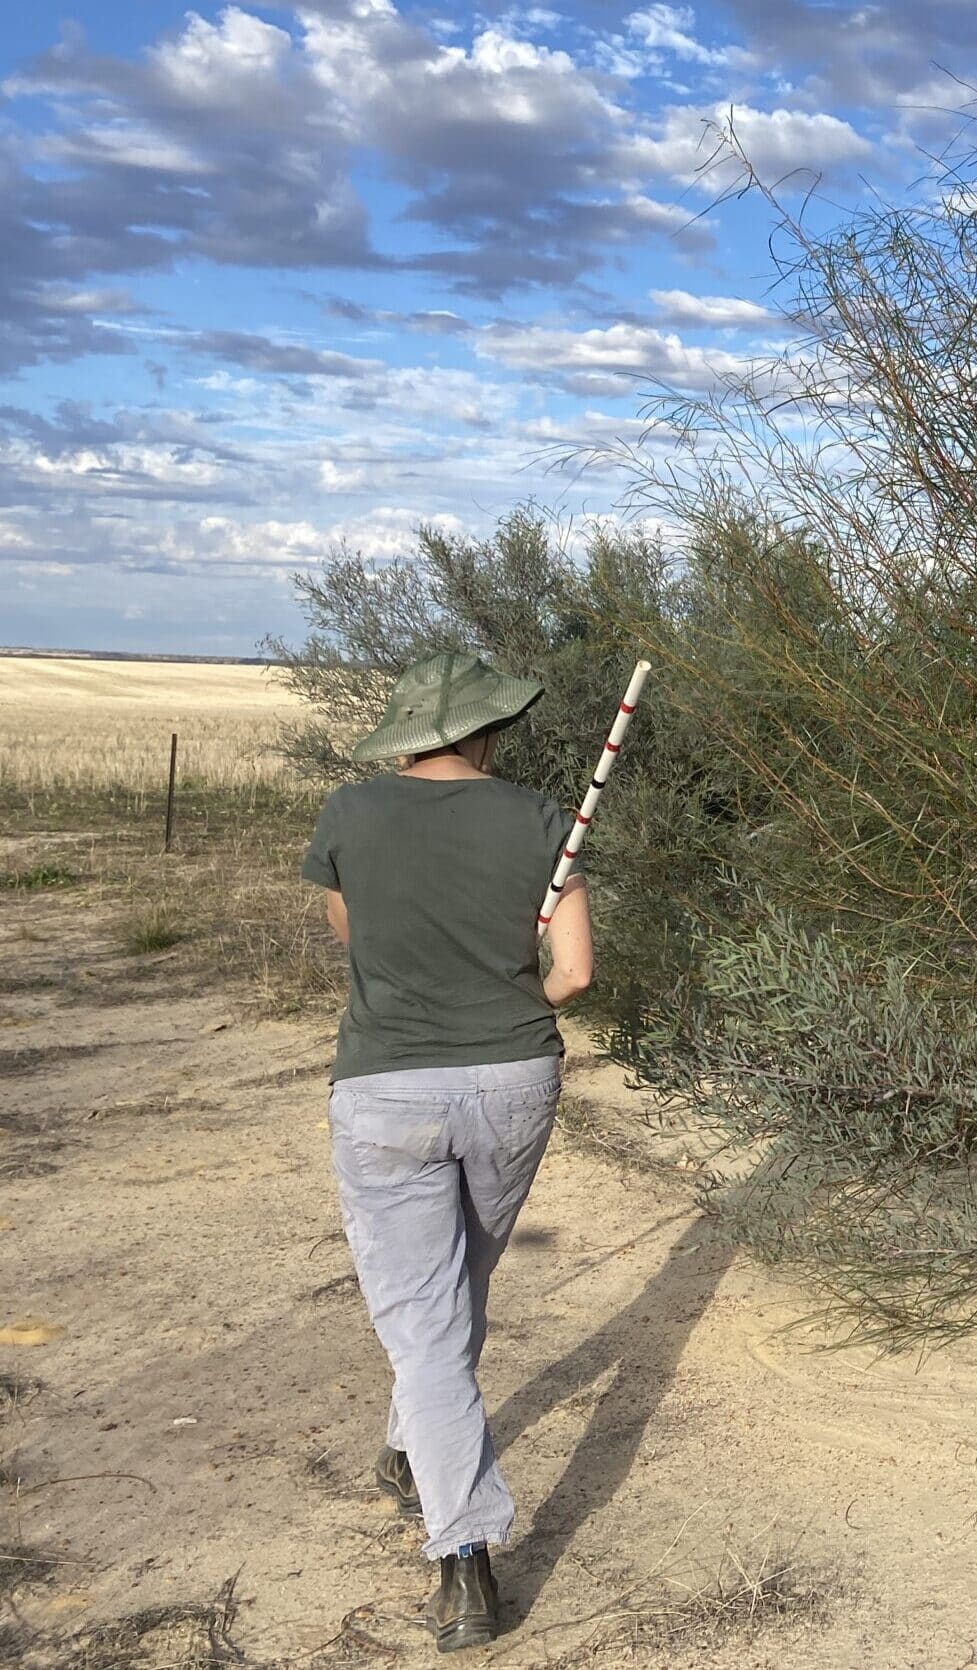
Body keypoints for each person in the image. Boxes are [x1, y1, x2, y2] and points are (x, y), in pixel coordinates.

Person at [301, 652, 592, 1653]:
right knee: (454, 1290)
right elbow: (576, 972)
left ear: (407, 734)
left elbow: (355, 936)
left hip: (384, 1087)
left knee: (426, 1321)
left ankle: (464, 1556)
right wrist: (510, 1008)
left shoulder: (349, 812)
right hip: (514, 1081)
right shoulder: (543, 817)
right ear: (480, 732)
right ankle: (402, 1450)